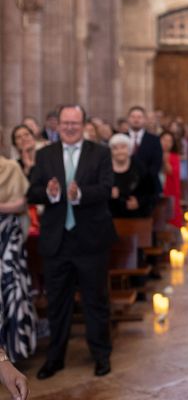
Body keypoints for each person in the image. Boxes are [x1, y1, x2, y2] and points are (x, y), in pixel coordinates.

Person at [27, 105, 116, 379]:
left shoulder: (100, 152)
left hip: (90, 241)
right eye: (64, 123)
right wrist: (50, 193)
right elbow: (33, 191)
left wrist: (79, 195)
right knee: (58, 304)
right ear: (58, 125)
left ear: (83, 124)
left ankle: (101, 355)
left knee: (95, 302)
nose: (68, 127)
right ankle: (55, 359)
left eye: (74, 123)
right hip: (57, 242)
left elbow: (105, 189)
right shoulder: (44, 154)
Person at [0, 137, 37, 363]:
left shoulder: (11, 167)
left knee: (11, 287)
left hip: (7, 234)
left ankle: (16, 349)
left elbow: (22, 203)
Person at [108, 134, 155, 218]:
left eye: (123, 147)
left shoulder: (140, 167)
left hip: (137, 217)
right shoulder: (105, 168)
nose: (119, 151)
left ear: (129, 149)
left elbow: (151, 193)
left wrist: (139, 202)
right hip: (110, 216)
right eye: (115, 148)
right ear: (111, 151)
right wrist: (108, 194)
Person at [128, 106, 163, 200]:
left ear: (144, 120)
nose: (136, 119)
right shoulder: (121, 138)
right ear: (128, 119)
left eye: (139, 117)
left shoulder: (154, 140)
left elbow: (156, 165)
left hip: (148, 190)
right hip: (125, 190)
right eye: (133, 117)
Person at [159, 131, 182, 228]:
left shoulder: (175, 157)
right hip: (158, 188)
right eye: (164, 140)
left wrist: (165, 159)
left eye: (169, 141)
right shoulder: (154, 154)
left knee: (171, 217)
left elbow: (171, 172)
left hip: (170, 189)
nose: (166, 143)